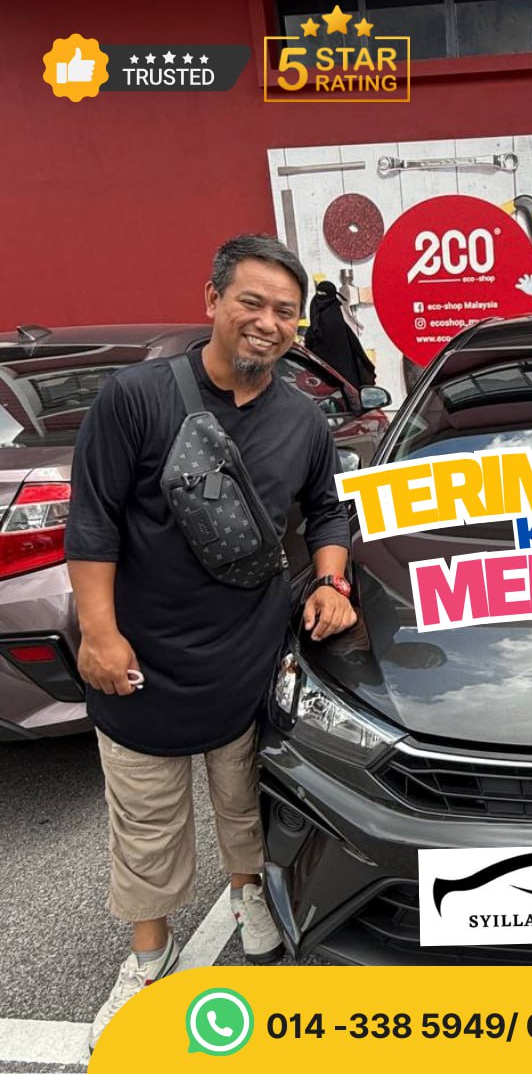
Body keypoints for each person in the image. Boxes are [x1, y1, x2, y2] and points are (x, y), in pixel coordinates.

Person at [66, 235, 359, 1049]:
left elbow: (328, 510)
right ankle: (149, 955)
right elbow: (92, 522)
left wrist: (331, 583)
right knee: (147, 820)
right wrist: (99, 633)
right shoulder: (136, 399)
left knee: (244, 802)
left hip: (248, 654)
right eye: (251, 302)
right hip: (142, 657)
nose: (268, 322)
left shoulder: (301, 419)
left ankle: (247, 895)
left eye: (285, 312)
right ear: (213, 301)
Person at [304, 279, 376, 391]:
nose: (320, 298)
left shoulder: (327, 314)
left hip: (332, 376)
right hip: (340, 376)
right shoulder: (335, 308)